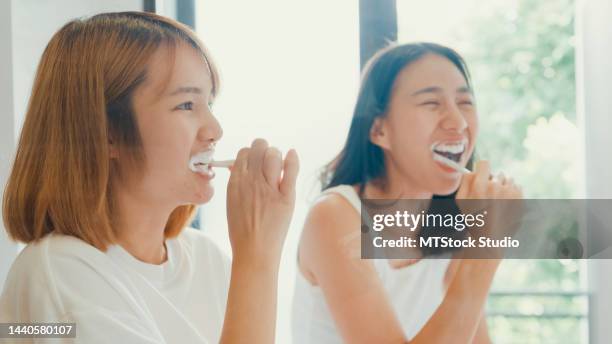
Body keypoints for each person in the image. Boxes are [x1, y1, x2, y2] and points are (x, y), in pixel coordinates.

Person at [0, 12, 298, 343]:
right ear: (107, 134)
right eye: (186, 104)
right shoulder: (59, 273)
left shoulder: (204, 259)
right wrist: (258, 255)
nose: (215, 130)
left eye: (209, 102)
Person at [292, 43, 522, 343]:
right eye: (431, 103)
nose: (458, 122)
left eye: (465, 102)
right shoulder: (335, 216)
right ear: (379, 131)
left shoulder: (453, 219)